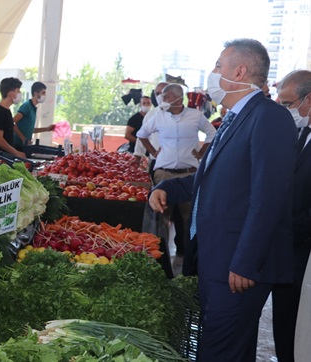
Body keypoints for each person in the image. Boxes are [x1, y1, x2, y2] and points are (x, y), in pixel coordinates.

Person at [149, 38, 297, 361]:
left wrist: (247, 262)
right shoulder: (232, 118)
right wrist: (166, 189)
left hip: (238, 268)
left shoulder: (269, 118)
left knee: (217, 352)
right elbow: (212, 178)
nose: (213, 74)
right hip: (216, 261)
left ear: (240, 71)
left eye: (218, 66)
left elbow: (267, 199)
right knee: (231, 350)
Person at [137, 83, 216, 256]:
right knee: (162, 218)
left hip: (189, 174)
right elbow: (141, 134)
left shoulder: (195, 115)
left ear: (178, 98)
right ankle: (161, 256)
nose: (161, 100)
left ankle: (189, 256)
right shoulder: (158, 116)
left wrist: (202, 152)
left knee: (190, 218)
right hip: (164, 172)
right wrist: (152, 152)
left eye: (166, 97)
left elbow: (212, 134)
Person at [271, 69, 311, 362]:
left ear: (308, 100)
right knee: (285, 323)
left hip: (303, 250)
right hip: (288, 251)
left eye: (287, 103)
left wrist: (285, 228)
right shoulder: (301, 134)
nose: (284, 110)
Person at [0, 77, 25, 158]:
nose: (20, 94)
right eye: (18, 91)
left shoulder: (6, 111)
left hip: (5, 157)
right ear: (11, 93)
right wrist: (16, 153)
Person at [12, 81, 55, 150]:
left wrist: (46, 129)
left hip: (24, 146)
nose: (45, 95)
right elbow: (12, 122)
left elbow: (30, 130)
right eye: (43, 93)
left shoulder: (33, 108)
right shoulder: (27, 106)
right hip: (17, 146)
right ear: (36, 93)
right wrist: (23, 139)